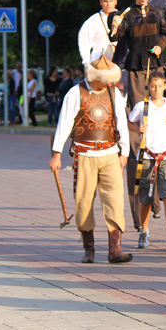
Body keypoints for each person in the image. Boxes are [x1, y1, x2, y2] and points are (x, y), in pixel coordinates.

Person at [50, 53, 133, 264]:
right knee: (84, 201)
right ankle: (89, 249)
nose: (108, 83)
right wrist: (56, 154)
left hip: (110, 153)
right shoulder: (75, 93)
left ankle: (115, 250)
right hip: (84, 155)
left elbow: (121, 122)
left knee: (115, 200)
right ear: (94, 77)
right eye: (105, 80)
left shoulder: (114, 92)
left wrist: (124, 153)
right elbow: (64, 124)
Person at [128, 71, 166, 250]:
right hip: (147, 156)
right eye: (153, 86)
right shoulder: (142, 106)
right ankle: (144, 231)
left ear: (165, 86)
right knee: (146, 197)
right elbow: (129, 122)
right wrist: (138, 128)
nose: (156, 89)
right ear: (148, 87)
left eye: (159, 86)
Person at [108, 0, 166, 110]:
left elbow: (164, 34)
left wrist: (160, 46)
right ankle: (137, 125)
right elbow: (114, 36)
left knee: (157, 99)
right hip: (136, 64)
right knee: (137, 103)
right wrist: (115, 25)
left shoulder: (158, 12)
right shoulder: (126, 14)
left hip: (156, 62)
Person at [79, 0, 119, 64]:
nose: (108, 4)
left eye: (111, 1)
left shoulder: (123, 18)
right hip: (98, 63)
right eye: (105, 1)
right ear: (100, 2)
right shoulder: (92, 21)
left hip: (119, 63)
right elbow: (84, 43)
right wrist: (87, 63)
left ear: (115, 1)